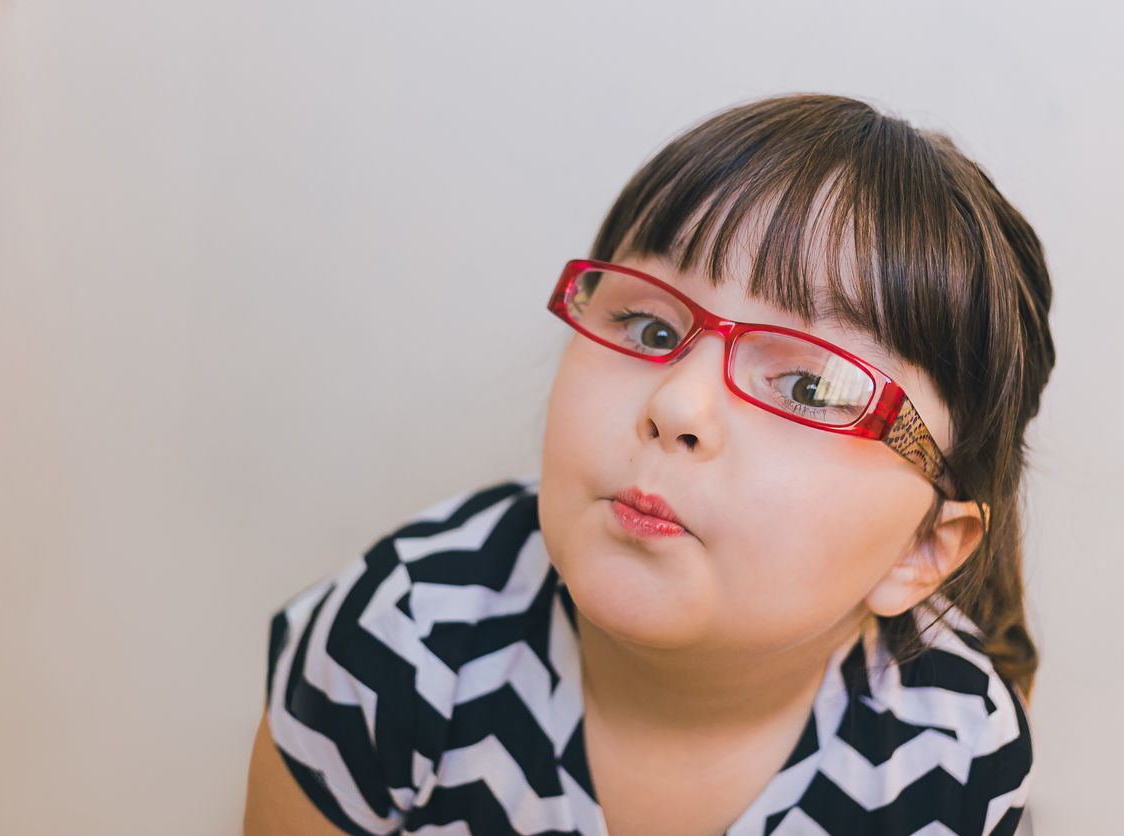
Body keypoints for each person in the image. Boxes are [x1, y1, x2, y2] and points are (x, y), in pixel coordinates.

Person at [243, 94, 1055, 836]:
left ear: (920, 550)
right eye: (652, 330)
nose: (678, 405)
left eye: (810, 385)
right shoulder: (400, 638)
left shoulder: (952, 752)